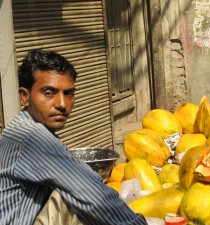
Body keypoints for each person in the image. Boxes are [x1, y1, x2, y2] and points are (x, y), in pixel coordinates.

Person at [0, 49, 147, 225]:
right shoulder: (32, 138)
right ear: (25, 96)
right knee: (75, 197)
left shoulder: (23, 129)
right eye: (49, 93)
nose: (62, 104)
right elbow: (92, 193)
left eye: (68, 93)